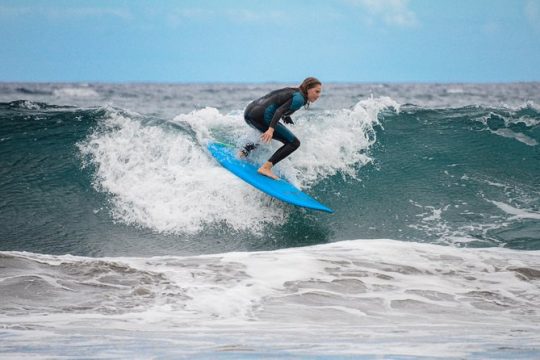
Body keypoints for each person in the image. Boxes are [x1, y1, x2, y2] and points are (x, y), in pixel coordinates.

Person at [240, 77, 322, 179]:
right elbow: (280, 111)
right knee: (294, 143)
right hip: (262, 116)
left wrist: (291, 127)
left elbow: (284, 114)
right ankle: (266, 168)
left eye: (319, 92)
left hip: (249, 113)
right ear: (308, 88)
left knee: (268, 134)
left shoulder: (294, 92)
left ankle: (243, 153)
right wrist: (271, 129)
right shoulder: (299, 99)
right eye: (316, 91)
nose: (318, 95)